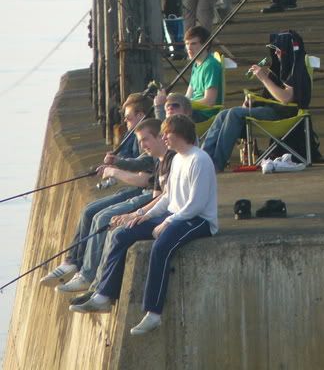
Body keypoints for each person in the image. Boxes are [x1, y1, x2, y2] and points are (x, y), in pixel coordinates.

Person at [72, 115, 217, 336]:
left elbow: (195, 205)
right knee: (122, 234)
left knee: (161, 246)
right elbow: (168, 197)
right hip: (176, 215)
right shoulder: (177, 159)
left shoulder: (200, 160)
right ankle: (103, 295)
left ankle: (153, 313)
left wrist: (167, 222)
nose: (164, 138)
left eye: (167, 134)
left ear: (179, 134)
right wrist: (142, 214)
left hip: (199, 220)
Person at [65, 100, 194, 309]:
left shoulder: (179, 160)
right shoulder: (165, 159)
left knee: (116, 231)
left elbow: (172, 199)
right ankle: (97, 289)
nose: (142, 146)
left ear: (163, 138)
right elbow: (162, 193)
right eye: (140, 141)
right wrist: (139, 213)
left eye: (145, 140)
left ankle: (102, 292)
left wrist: (139, 213)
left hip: (174, 218)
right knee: (111, 226)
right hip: (162, 212)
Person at [39, 96, 156, 289]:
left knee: (102, 218)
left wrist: (114, 170)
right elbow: (133, 164)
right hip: (135, 188)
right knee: (88, 210)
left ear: (141, 116)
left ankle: (86, 275)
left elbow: (143, 177)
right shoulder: (134, 138)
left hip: (144, 192)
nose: (125, 122)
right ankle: (72, 262)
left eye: (127, 118)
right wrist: (115, 163)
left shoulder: (148, 138)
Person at [202, 30, 311, 172]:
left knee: (235, 113)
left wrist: (264, 78)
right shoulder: (281, 67)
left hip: (286, 114)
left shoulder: (296, 68)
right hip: (274, 109)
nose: (276, 54)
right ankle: (204, 159)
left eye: (279, 50)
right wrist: (254, 101)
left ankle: (216, 164)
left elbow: (286, 98)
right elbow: (271, 96)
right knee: (224, 114)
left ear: (288, 50)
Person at [155, 26, 223, 122]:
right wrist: (174, 100)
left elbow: (209, 102)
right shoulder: (196, 64)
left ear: (206, 45)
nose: (189, 48)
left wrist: (181, 103)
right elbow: (188, 95)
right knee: (164, 105)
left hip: (203, 114)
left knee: (166, 113)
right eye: (187, 44)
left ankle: (161, 133)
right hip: (192, 109)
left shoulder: (210, 65)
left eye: (194, 44)